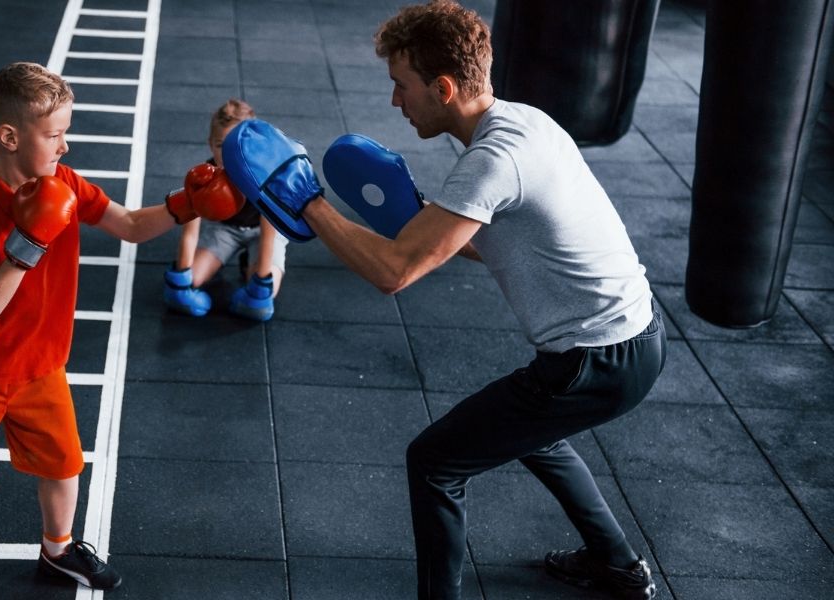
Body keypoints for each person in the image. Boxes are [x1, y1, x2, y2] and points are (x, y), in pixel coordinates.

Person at [220, 2, 666, 599]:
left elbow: (393, 274)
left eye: (402, 88)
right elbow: (495, 246)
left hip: (597, 359)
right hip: (635, 336)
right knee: (535, 434)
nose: (396, 102)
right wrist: (420, 219)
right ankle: (616, 563)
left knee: (435, 462)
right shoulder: (522, 123)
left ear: (445, 87)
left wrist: (308, 203)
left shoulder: (492, 160)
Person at [0, 62, 228, 600]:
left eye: (65, 131)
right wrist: (29, 240)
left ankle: (57, 551)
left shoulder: (63, 184)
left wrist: (187, 204)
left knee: (63, 464)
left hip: (42, 367)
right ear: (10, 138)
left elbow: (129, 225)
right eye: (55, 134)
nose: (65, 146)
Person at [163, 99, 288, 321]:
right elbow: (190, 230)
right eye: (221, 145)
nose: (229, 153)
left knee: (262, 300)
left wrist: (260, 283)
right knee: (189, 282)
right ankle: (231, 259)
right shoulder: (203, 176)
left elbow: (269, 231)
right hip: (224, 230)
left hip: (263, 232)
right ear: (211, 144)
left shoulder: (266, 176)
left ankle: (249, 264)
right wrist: (180, 281)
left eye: (237, 145)